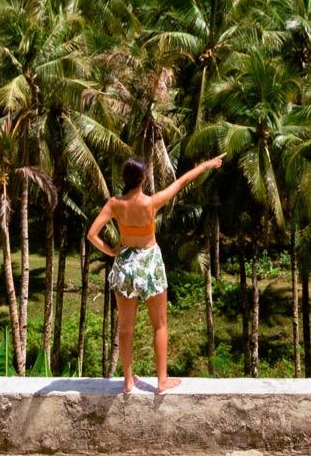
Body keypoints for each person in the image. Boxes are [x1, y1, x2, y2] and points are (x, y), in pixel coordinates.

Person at [87, 154, 224, 394]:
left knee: (125, 328)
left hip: (125, 263)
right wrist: (206, 164)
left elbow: (92, 235)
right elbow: (182, 182)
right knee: (159, 325)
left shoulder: (114, 204)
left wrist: (110, 251)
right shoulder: (151, 203)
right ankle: (161, 381)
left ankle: (128, 381)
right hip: (149, 262)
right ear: (142, 179)